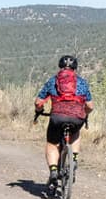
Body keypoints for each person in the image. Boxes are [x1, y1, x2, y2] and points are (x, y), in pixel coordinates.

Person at [32, 55, 92, 190]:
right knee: (75, 133)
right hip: (77, 118)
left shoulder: (53, 81)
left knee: (52, 143)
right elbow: (90, 106)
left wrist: (39, 110)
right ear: (75, 68)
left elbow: (38, 102)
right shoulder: (82, 82)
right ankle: (74, 158)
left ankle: (53, 170)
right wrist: (85, 114)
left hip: (57, 118)